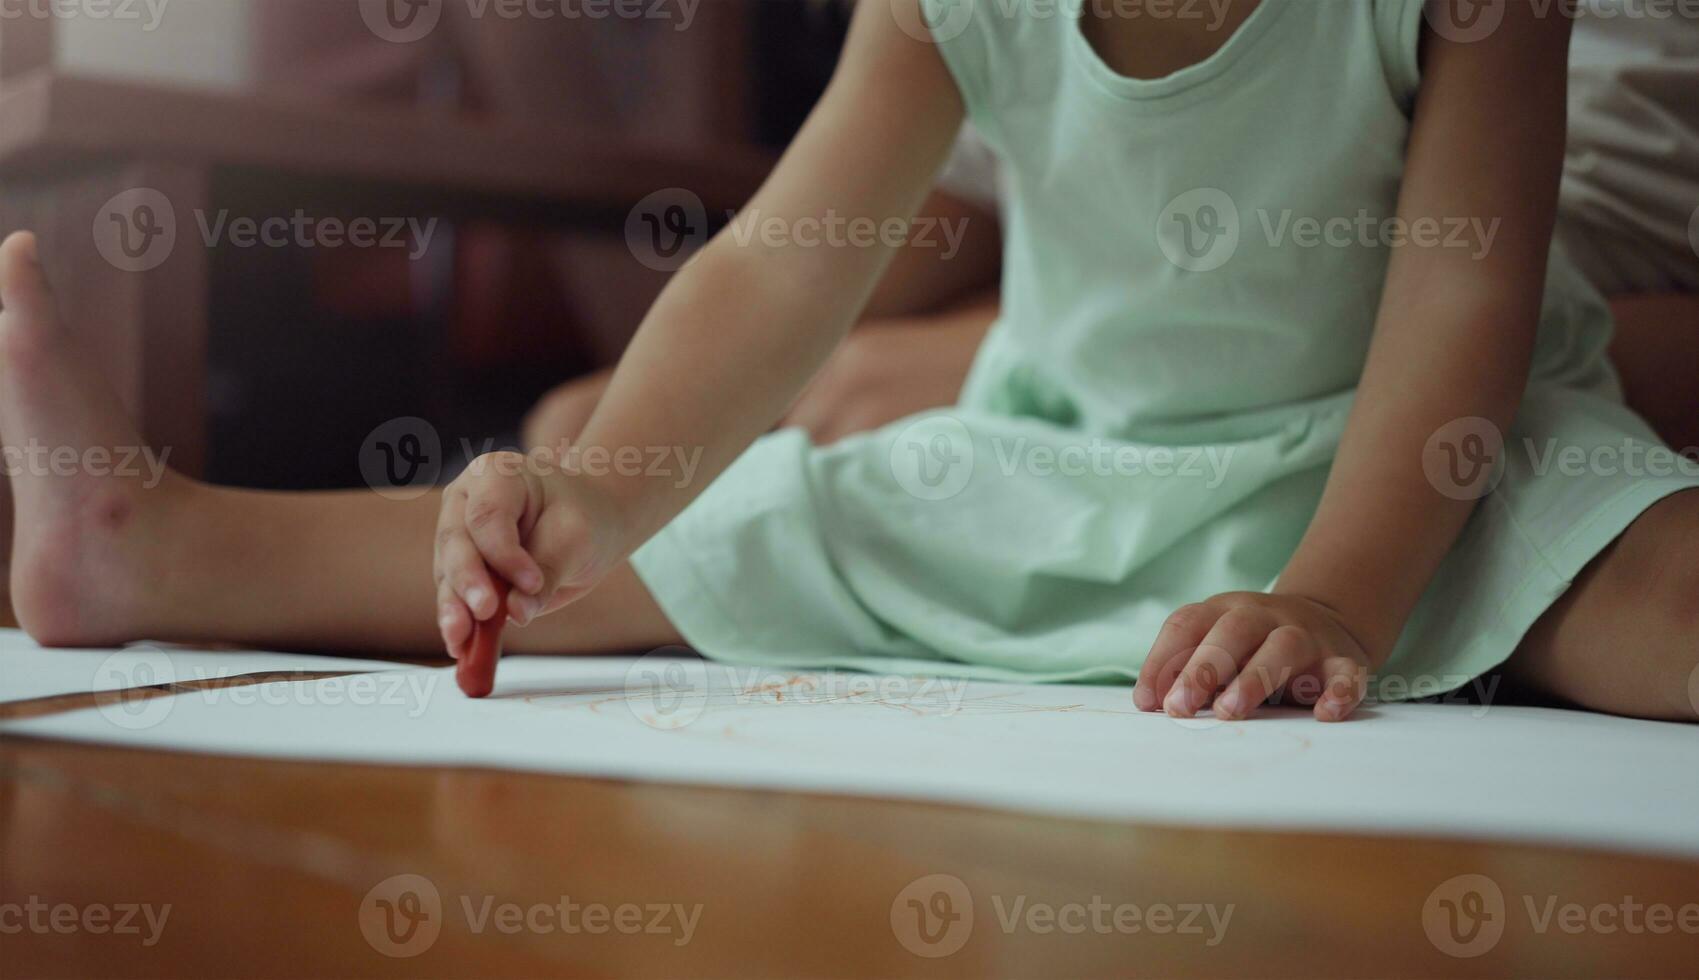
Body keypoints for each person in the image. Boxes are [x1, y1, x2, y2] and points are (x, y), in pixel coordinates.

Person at [4, 0, 1698, 724]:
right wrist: (597, 486)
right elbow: (777, 272)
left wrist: (1336, 601)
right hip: (1072, 460)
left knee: (1658, 595)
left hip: (1425, 457)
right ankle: (152, 542)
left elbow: (1460, 314)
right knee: (623, 561)